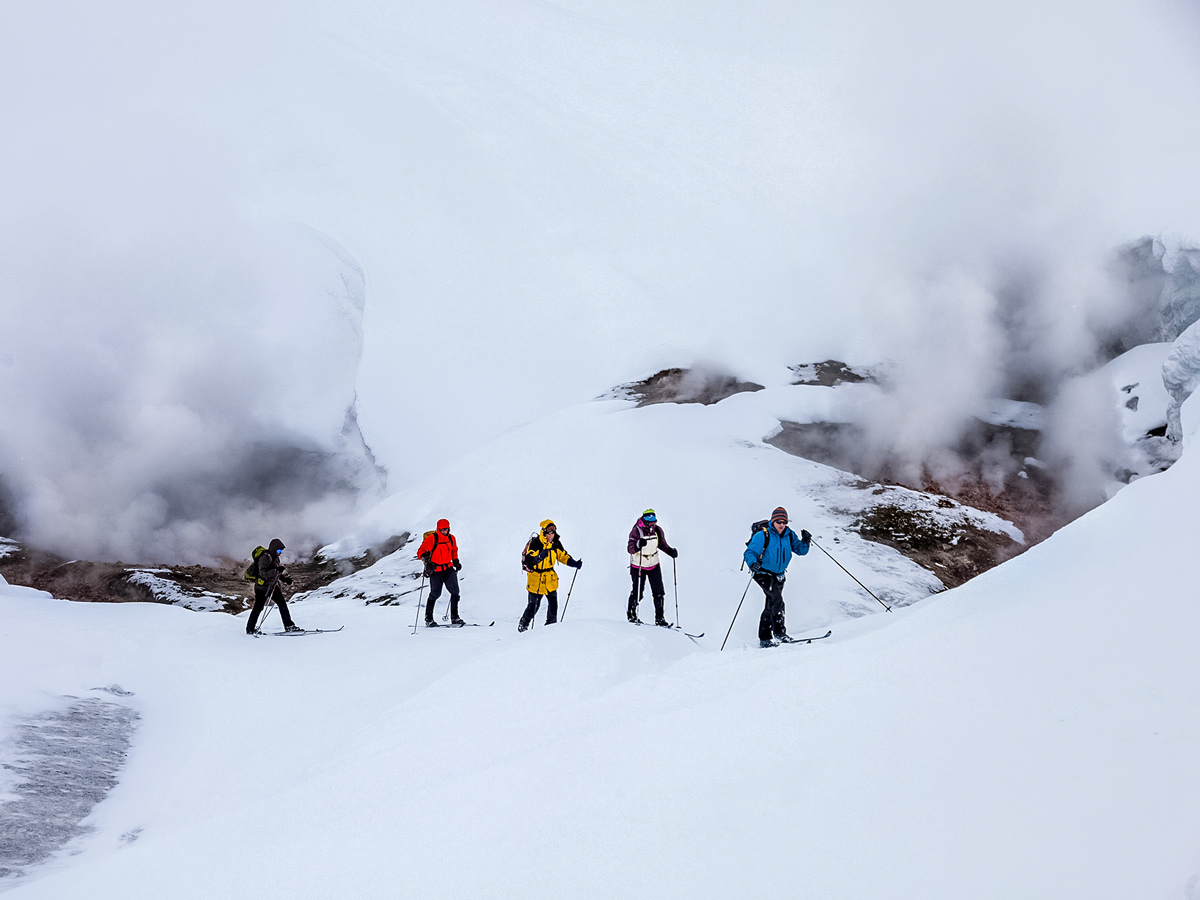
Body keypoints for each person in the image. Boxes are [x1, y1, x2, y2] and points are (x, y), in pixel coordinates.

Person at [742, 507, 810, 647]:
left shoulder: (789, 535)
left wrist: (805, 541)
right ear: (773, 521)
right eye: (778, 521)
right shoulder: (763, 535)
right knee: (776, 600)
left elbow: (800, 551)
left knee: (772, 603)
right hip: (763, 573)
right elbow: (749, 553)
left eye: (784, 521)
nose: (781, 524)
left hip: (779, 575)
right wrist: (752, 563)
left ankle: (765, 638)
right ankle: (779, 633)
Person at [519, 519, 582, 632]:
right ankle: (523, 625)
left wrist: (574, 563)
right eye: (549, 532)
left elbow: (563, 556)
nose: (551, 534)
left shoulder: (556, 543)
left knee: (553, 605)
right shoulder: (536, 543)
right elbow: (529, 561)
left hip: (550, 580)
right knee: (533, 606)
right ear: (543, 532)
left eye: (553, 532)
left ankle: (550, 629)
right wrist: (539, 558)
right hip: (536, 580)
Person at [626, 508, 678, 626]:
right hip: (638, 565)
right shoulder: (636, 530)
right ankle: (631, 614)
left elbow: (662, 544)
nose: (651, 523)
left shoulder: (657, 530)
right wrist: (638, 544)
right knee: (638, 591)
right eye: (649, 521)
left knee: (659, 592)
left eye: (653, 520)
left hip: (654, 564)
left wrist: (670, 551)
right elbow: (630, 549)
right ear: (644, 519)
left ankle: (660, 619)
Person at [246, 538, 301, 635]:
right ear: (273, 548)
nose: (280, 553)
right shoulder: (265, 558)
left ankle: (289, 626)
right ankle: (250, 629)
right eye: (279, 550)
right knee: (258, 608)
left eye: (281, 551)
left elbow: (275, 573)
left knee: (282, 604)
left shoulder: (275, 558)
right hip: (262, 588)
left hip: (272, 586)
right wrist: (277, 571)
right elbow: (263, 573)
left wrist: (284, 579)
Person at [417, 519, 463, 626]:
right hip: (436, 570)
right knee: (435, 594)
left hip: (448, 568)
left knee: (455, 592)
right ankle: (429, 619)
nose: (444, 531)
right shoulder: (432, 539)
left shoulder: (451, 538)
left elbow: (454, 550)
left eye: (446, 529)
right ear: (438, 529)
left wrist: (455, 561)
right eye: (442, 529)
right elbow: (420, 551)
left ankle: (455, 617)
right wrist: (424, 557)